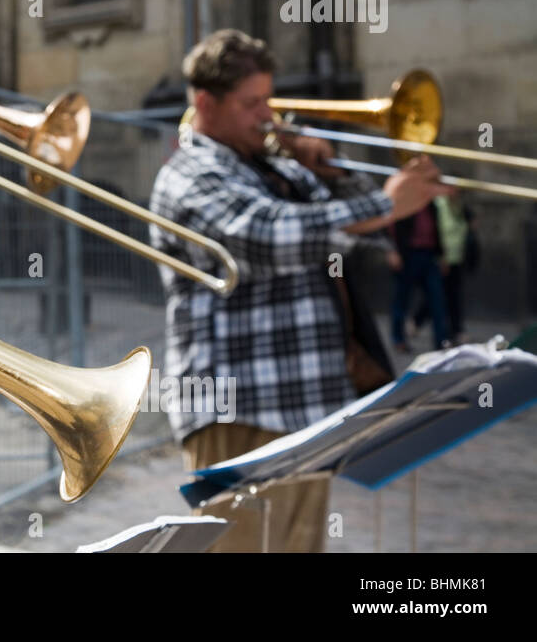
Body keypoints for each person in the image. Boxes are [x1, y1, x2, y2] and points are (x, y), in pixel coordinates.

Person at [149, 29, 448, 552]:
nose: (267, 115)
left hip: (308, 404)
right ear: (205, 103)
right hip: (239, 406)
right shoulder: (188, 173)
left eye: (268, 98)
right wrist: (383, 204)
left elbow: (359, 243)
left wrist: (330, 173)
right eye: (251, 103)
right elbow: (265, 237)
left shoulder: (278, 168)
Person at [409, 193, 475, 346]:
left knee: (450, 296)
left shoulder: (458, 206)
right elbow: (438, 232)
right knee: (437, 296)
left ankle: (450, 333)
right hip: (441, 258)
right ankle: (425, 325)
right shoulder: (439, 205)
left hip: (456, 258)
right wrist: (441, 256)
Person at [387, 202, 451, 352]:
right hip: (408, 255)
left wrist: (441, 256)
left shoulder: (431, 205)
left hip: (429, 255)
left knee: (437, 299)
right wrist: (392, 251)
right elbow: (390, 227)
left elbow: (436, 231)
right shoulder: (403, 202)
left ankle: (441, 340)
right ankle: (398, 339)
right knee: (401, 300)